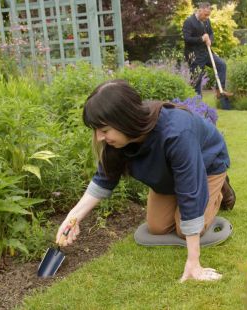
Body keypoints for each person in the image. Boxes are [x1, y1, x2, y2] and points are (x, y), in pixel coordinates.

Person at [56, 79, 236, 282]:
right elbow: (103, 179)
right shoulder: (120, 141)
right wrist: (73, 218)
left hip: (205, 167)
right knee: (156, 227)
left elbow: (190, 191)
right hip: (168, 176)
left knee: (185, 230)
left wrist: (194, 263)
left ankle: (219, 189)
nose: (98, 138)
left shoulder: (176, 132)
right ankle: (190, 198)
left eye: (104, 130)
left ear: (124, 120)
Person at [182, 2, 233, 108]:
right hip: (194, 55)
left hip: (206, 53)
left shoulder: (207, 21)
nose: (207, 17)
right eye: (205, 15)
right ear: (199, 10)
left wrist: (210, 39)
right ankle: (197, 105)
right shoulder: (189, 22)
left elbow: (211, 33)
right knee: (197, 79)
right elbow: (187, 39)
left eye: (208, 15)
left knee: (222, 65)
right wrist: (201, 39)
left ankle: (220, 90)